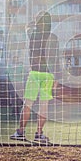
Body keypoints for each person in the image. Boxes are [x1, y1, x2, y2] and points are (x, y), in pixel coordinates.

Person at [10, 11, 58, 143]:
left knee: (28, 104)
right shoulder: (53, 38)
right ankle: (39, 134)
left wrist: (34, 22)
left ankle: (20, 132)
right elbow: (56, 59)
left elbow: (28, 26)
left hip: (35, 73)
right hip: (48, 74)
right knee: (44, 105)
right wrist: (57, 78)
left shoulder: (33, 34)